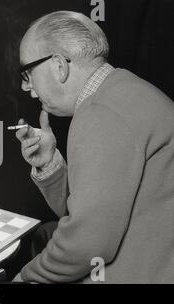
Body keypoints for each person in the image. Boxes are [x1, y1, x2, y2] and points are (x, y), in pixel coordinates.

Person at [13, 11, 174, 283]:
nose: (25, 86)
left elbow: (87, 245)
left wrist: (25, 277)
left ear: (58, 66)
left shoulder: (103, 112)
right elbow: (94, 216)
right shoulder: (123, 92)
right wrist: (50, 163)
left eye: (28, 72)